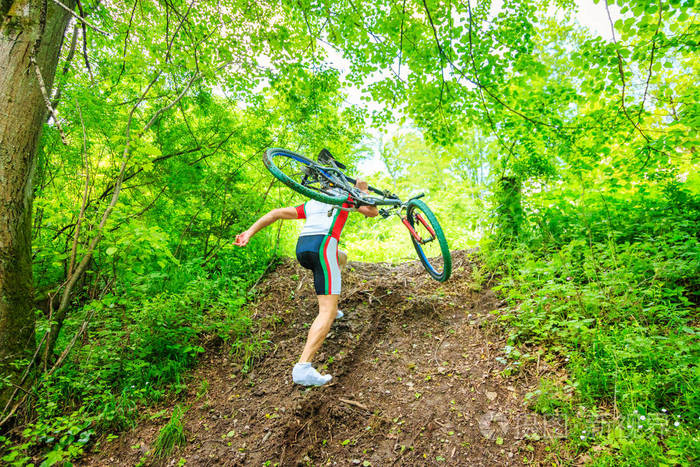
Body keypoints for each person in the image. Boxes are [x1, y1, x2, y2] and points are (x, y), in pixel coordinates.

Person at [234, 179, 378, 386]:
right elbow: (372, 211)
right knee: (326, 310)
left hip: (303, 250)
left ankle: (331, 303)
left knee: (341, 257)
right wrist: (362, 191)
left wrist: (249, 232)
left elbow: (275, 213)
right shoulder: (345, 198)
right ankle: (303, 367)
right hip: (322, 246)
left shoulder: (312, 203)